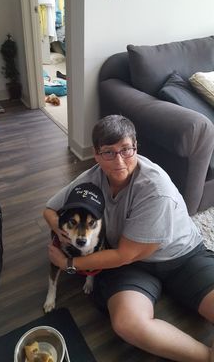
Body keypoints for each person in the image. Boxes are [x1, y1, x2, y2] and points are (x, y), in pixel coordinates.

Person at [44, 114, 214, 362]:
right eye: (109, 152)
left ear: (136, 146)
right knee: (126, 324)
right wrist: (60, 230)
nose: (119, 160)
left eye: (126, 149)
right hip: (132, 265)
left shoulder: (156, 190)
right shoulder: (93, 177)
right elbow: (50, 209)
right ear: (96, 154)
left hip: (182, 256)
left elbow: (125, 254)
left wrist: (68, 264)